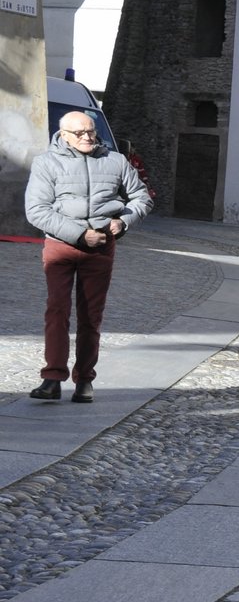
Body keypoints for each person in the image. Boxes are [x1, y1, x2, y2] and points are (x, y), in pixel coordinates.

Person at [24, 110, 153, 403]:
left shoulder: (116, 161)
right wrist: (80, 235)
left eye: (91, 131)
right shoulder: (47, 163)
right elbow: (37, 210)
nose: (87, 137)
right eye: (80, 133)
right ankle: (52, 378)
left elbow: (142, 198)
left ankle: (85, 380)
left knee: (91, 316)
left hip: (102, 247)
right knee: (57, 311)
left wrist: (123, 222)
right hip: (61, 245)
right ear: (64, 135)